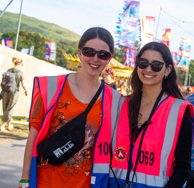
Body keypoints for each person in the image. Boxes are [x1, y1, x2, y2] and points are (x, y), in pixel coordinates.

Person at [20, 27, 121, 188]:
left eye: (103, 54)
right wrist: (25, 178)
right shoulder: (50, 87)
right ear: (80, 53)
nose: (95, 59)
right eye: (89, 51)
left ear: (109, 59)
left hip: (88, 184)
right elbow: (33, 134)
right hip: (45, 182)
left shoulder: (115, 100)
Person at [108, 42, 194, 188]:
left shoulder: (180, 110)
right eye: (143, 63)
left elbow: (183, 169)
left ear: (167, 70)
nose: (148, 69)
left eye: (156, 65)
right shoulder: (120, 104)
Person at [0, 57, 28, 131]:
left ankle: (9, 125)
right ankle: (2, 125)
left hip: (5, 91)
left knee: (5, 107)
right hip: (14, 92)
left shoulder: (8, 70)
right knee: (10, 108)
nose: (22, 65)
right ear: (19, 64)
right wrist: (26, 91)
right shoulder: (20, 73)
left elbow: (3, 82)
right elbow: (23, 84)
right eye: (22, 64)